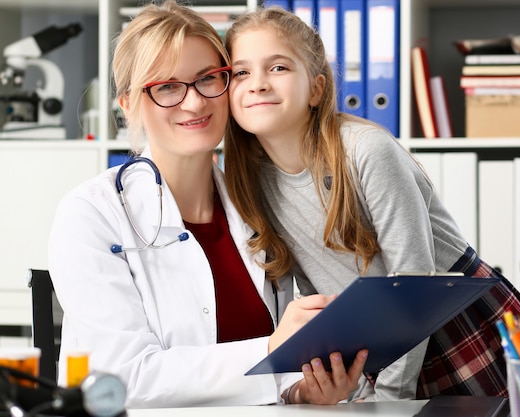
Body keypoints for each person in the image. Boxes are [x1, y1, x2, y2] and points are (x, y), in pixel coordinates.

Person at [47, 0, 367, 408]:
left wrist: (302, 388)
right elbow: (122, 378)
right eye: (165, 87)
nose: (195, 103)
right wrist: (269, 351)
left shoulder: (257, 202)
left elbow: (284, 366)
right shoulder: (91, 215)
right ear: (128, 104)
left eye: (208, 79)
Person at [223, 6, 520, 401]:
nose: (257, 84)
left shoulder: (366, 150)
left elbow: (414, 277)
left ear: (317, 89)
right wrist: (358, 387)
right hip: (377, 341)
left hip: (449, 320)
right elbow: (312, 297)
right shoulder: (253, 180)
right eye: (241, 72)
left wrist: (390, 398)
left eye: (278, 68)